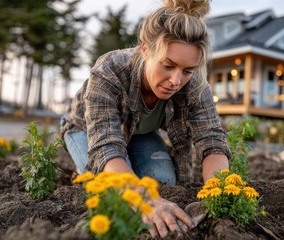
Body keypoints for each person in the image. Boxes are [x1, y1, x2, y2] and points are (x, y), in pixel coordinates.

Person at [58, 0, 231, 238]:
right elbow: (106, 148)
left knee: (162, 183)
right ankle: (85, 170)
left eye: (188, 70)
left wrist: (219, 193)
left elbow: (212, 141)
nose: (176, 81)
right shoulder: (109, 71)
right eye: (168, 65)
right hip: (85, 129)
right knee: (108, 191)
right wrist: (145, 202)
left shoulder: (194, 84)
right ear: (145, 49)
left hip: (138, 133)